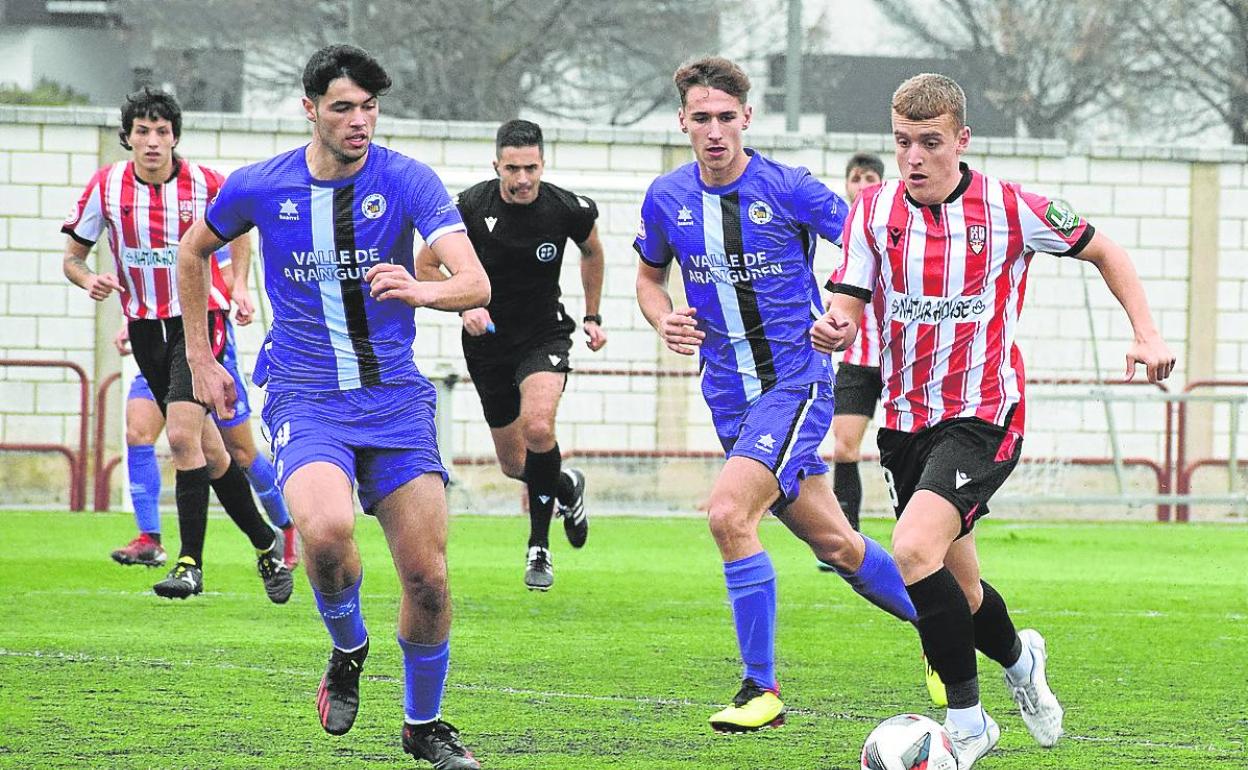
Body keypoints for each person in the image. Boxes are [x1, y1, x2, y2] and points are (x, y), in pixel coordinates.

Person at [814, 72, 1175, 768]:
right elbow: (850, 303)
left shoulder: (1011, 208)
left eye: (929, 143)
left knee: (914, 547)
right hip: (907, 423)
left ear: (962, 140)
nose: (913, 158)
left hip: (985, 415)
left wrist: (1147, 332)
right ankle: (1021, 659)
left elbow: (1106, 249)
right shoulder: (872, 212)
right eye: (901, 143)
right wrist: (835, 328)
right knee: (964, 590)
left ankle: (968, 723)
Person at [177, 44, 486, 769]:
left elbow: (475, 284)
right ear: (310, 108)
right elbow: (193, 254)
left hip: (395, 400)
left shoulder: (407, 179)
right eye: (343, 107)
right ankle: (348, 649)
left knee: (428, 579)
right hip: (305, 393)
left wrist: (422, 289)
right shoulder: (260, 186)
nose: (359, 122)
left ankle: (423, 726)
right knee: (323, 529)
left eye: (369, 108)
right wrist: (199, 357)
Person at [633, 56, 917, 735]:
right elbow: (648, 275)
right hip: (729, 398)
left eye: (726, 118)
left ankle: (761, 688)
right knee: (839, 546)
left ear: (747, 118)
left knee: (729, 514)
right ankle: (956, 629)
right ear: (683, 122)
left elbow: (867, 244)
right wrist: (660, 313)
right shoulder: (666, 197)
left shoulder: (788, 187)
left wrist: (841, 317)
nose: (714, 131)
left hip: (796, 382)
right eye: (701, 119)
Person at [62, 87, 292, 603]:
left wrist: (235, 287)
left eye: (162, 132)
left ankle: (189, 564)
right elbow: (73, 257)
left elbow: (241, 235)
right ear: (128, 138)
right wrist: (88, 281)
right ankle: (267, 545)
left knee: (186, 438)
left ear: (175, 138)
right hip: (146, 332)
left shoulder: (207, 184)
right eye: (142, 131)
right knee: (211, 455)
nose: (152, 141)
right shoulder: (106, 187)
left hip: (199, 324)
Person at [415, 119, 604, 591]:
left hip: (544, 335)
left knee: (539, 426)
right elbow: (425, 266)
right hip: (487, 343)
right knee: (515, 464)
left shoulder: (567, 208)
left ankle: (538, 548)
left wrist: (593, 315)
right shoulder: (469, 206)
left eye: (531, 168)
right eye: (513, 168)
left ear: (544, 164)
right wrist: (463, 309)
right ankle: (566, 486)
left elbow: (593, 252)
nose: (523, 179)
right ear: (496, 165)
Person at [109, 271, 300, 570]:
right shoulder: (140, 237)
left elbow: (227, 257)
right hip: (159, 347)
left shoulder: (201, 231)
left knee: (241, 453)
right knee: (138, 433)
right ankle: (151, 538)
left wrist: (239, 284)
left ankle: (285, 529)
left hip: (210, 358)